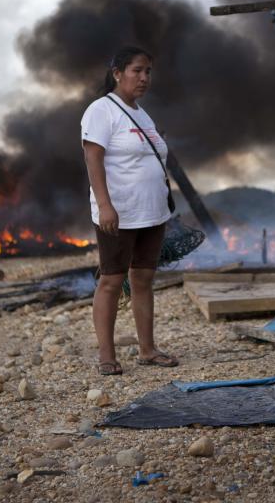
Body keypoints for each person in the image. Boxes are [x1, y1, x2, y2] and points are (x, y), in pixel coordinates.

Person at [81, 46, 178, 375]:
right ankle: (107, 356)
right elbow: (93, 157)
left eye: (148, 71)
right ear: (117, 72)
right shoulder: (101, 110)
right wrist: (105, 205)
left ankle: (147, 350)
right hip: (119, 213)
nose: (144, 77)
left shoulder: (141, 113)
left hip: (152, 212)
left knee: (144, 279)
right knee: (110, 281)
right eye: (137, 70)